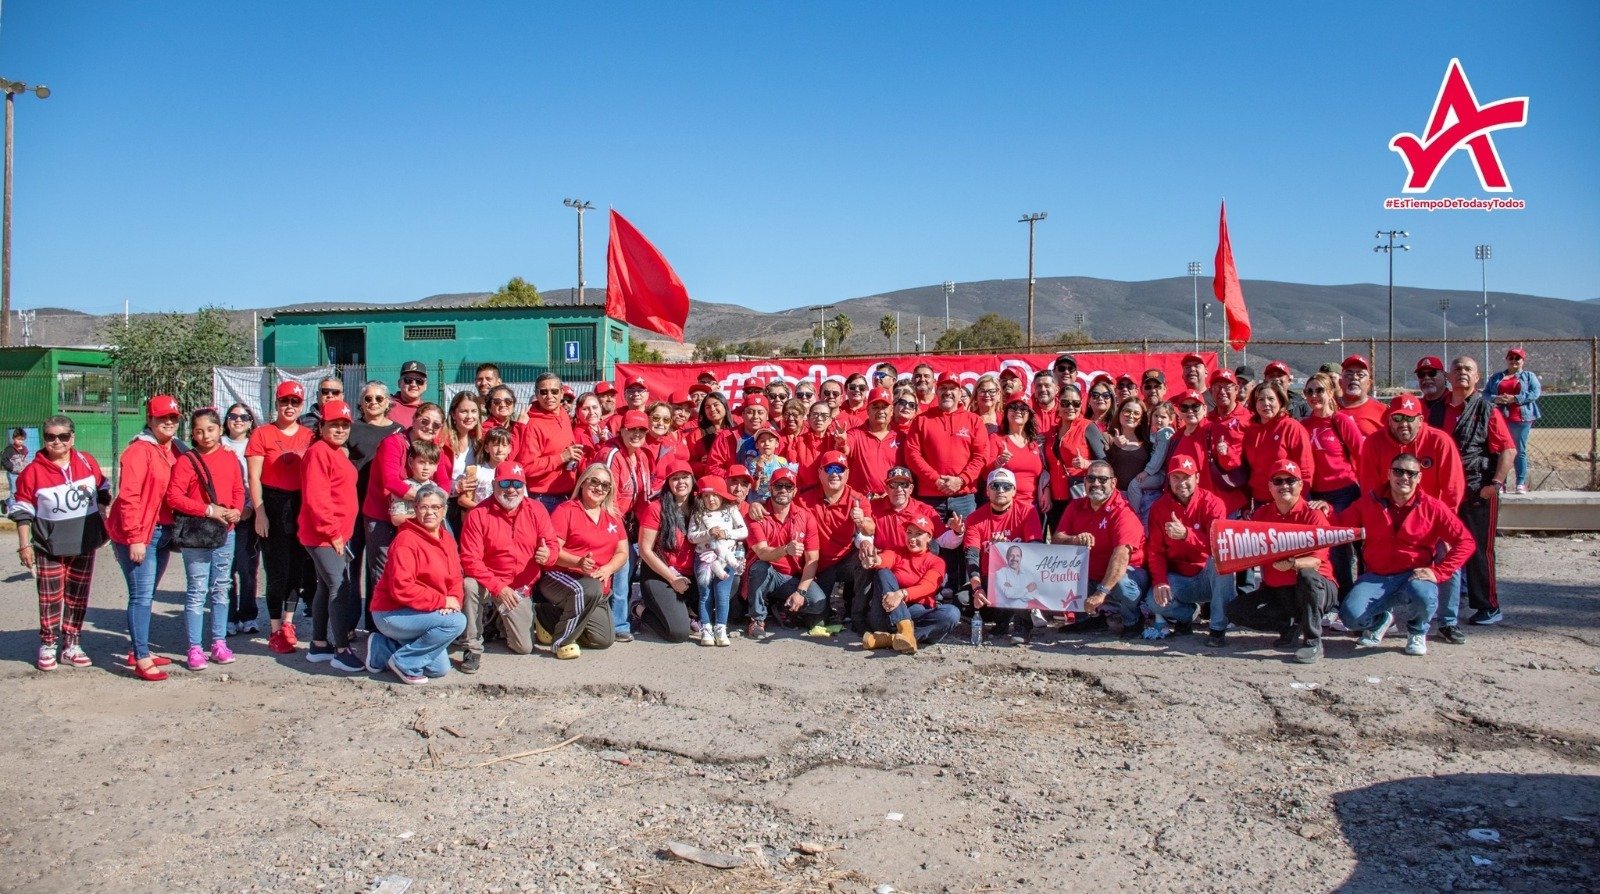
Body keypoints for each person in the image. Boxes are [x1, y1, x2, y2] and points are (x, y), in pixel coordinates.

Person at [1335, 453, 1473, 657]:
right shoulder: (1368, 502)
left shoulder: (1432, 507)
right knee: (1350, 617)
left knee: (1423, 594)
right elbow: (1338, 525)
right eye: (1399, 471)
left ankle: (1417, 631)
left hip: (1413, 576)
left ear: (1419, 478)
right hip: (1377, 577)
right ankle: (1380, 620)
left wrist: (1439, 572)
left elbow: (1465, 542)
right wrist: (1322, 509)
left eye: (1411, 473)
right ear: (1389, 474)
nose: (1404, 477)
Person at [11, 415, 109, 671]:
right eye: (51, 437)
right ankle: (48, 644)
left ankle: (72, 645)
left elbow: (103, 491)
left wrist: (102, 523)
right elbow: (22, 511)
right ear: (44, 440)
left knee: (77, 597)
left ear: (72, 438)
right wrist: (24, 545)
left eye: (63, 436)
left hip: (84, 543)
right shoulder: (33, 471)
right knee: (50, 598)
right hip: (49, 547)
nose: (57, 441)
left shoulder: (86, 461)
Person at [1430, 355, 1516, 629]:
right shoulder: (1435, 409)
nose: (1462, 373)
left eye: (1468, 369)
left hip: (1478, 489)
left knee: (1479, 550)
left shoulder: (1486, 410)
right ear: (1448, 376)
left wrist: (1496, 485)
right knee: (1441, 548)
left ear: (1477, 377)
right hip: (1443, 492)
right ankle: (1439, 605)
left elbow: (1508, 449)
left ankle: (1488, 606)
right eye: (1457, 369)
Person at [1227, 460, 1340, 663]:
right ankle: (1289, 626)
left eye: (1290, 481)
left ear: (1301, 485)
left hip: (1317, 588)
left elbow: (1315, 562)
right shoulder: (1262, 514)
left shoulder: (1313, 515)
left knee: (1307, 576)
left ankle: (1313, 642)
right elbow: (1247, 548)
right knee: (1235, 611)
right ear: (1270, 487)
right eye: (1278, 481)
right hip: (1279, 590)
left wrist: (1293, 564)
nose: (1284, 486)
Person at [362, 403, 454, 632]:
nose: (429, 427)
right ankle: (380, 627)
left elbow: (444, 482)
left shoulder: (434, 448)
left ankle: (419, 619)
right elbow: (390, 480)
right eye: (425, 421)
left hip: (418, 518)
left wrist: (433, 502)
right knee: (383, 571)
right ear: (414, 419)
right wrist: (425, 500)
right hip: (382, 514)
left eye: (436, 424)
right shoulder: (394, 443)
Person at [109, 395, 182, 680]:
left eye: (173, 418)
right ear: (149, 420)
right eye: (162, 418)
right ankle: (140, 656)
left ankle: (138, 648)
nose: (168, 422)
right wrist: (135, 537)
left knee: (147, 594)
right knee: (140, 596)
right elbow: (128, 497)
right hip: (140, 533)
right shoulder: (139, 451)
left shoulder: (174, 447)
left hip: (162, 531)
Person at [457, 462, 558, 667]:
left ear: (524, 486)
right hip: (488, 582)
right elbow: (469, 559)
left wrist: (548, 555)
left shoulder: (537, 510)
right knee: (468, 585)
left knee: (524, 648)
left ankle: (497, 620)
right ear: (494, 484)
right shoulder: (478, 514)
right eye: (505, 483)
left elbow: (553, 545)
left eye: (517, 484)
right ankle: (472, 647)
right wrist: (498, 587)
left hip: (519, 588)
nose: (511, 489)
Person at [167, 408, 245, 671]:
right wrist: (209, 510)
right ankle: (194, 647)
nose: (205, 435)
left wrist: (234, 511)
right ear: (192, 434)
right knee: (197, 590)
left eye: (210, 429)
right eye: (199, 431)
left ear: (219, 430)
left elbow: (237, 488)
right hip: (197, 535)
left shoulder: (229, 458)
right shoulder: (186, 461)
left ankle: (219, 642)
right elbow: (174, 497)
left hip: (226, 532)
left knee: (221, 588)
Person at [365, 484, 465, 683]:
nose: (430, 512)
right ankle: (404, 662)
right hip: (393, 613)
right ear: (415, 509)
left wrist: (454, 600)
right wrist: (442, 601)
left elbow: (455, 577)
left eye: (436, 507)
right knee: (457, 622)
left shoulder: (447, 539)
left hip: (424, 611)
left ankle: (382, 647)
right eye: (424, 507)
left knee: (439, 669)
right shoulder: (406, 540)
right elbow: (401, 587)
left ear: (444, 510)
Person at [247, 380, 315, 654]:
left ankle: (289, 622)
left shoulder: (309, 436)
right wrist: (260, 512)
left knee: (296, 569)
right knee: (276, 570)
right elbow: (254, 476)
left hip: (299, 504)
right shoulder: (262, 434)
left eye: (295, 402)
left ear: (301, 406)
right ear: (276, 404)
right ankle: (275, 628)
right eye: (284, 401)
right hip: (273, 503)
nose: (289, 407)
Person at [906, 375, 987, 597]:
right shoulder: (922, 420)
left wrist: (961, 480)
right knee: (931, 545)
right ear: (936, 390)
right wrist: (935, 480)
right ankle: (931, 591)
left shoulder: (973, 421)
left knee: (967, 545)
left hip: (963, 496)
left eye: (953, 388)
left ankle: (965, 593)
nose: (948, 392)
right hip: (930, 497)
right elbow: (912, 454)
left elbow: (981, 456)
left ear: (961, 392)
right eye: (943, 388)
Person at [297, 400, 362, 671]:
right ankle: (341, 649)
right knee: (340, 587)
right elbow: (317, 497)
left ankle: (319, 644)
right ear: (321, 425)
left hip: (334, 533)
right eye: (334, 424)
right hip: (324, 535)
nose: (340, 429)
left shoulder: (335, 452)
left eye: (344, 425)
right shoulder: (319, 452)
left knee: (325, 586)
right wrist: (333, 532)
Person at [538, 464, 628, 659]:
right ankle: (562, 642)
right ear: (583, 482)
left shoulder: (612, 516)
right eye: (594, 481)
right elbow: (554, 550)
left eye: (605, 485)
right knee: (588, 589)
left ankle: (544, 617)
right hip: (561, 576)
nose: (599, 488)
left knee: (604, 639)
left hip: (596, 584)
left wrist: (608, 568)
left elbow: (622, 551)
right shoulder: (566, 510)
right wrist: (578, 562)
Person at [1144, 455, 1233, 645]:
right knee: (1153, 601)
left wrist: (1187, 535)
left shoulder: (1213, 503)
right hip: (1180, 578)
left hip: (1208, 577)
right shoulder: (1160, 508)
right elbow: (1155, 551)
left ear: (1197, 478)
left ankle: (1217, 628)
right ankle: (1187, 615)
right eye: (1176, 478)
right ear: (1169, 479)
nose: (1181, 483)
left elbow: (1220, 546)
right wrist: (1160, 581)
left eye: (1187, 477)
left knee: (1222, 562)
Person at [1053, 459, 1148, 636]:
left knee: (1122, 585)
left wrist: (1101, 593)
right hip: (1091, 575)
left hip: (1127, 575)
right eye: (1091, 478)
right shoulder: (1075, 506)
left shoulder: (1123, 512)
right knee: (1059, 569)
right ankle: (1090, 620)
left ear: (1113, 483)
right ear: (1085, 482)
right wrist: (1074, 540)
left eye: (1102, 479)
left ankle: (1133, 621)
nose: (1096, 483)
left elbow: (1121, 557)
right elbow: (1056, 540)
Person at [1298, 371, 1366, 594]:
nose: (1314, 395)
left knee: (1354, 546)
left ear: (1330, 393)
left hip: (1345, 492)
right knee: (1332, 549)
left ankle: (1360, 597)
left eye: (1319, 390)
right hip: (1318, 494)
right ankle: (1340, 596)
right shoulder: (1304, 425)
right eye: (1309, 391)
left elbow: (1361, 454)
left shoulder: (1340, 420)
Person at [744, 468, 826, 639]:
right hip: (768, 573)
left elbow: (813, 559)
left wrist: (801, 592)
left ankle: (781, 605)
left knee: (819, 603)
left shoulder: (806, 517)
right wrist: (785, 549)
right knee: (760, 568)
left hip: (791, 578)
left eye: (788, 487)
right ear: (770, 488)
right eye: (778, 485)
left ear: (795, 491)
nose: (783, 490)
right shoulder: (758, 514)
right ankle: (757, 618)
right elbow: (762, 553)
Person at [964, 468, 1045, 643]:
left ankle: (1023, 625)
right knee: (963, 602)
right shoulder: (974, 518)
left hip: (1021, 576)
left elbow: (1035, 550)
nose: (1001, 490)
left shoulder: (1027, 511)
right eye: (995, 486)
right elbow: (972, 558)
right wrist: (977, 589)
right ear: (987, 491)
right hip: (990, 579)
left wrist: (1005, 548)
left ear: (1014, 490)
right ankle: (1002, 618)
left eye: (1007, 486)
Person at [859, 516, 960, 653]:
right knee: (883, 573)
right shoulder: (896, 552)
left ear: (929, 537)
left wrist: (901, 594)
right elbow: (884, 559)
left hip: (917, 611)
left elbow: (929, 585)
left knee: (951, 613)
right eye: (909, 532)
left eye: (918, 534)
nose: (912, 538)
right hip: (887, 612)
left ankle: (891, 639)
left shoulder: (936, 562)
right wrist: (873, 560)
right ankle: (905, 630)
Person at [797, 450, 872, 633]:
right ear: (819, 473)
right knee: (816, 622)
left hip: (845, 560)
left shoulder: (858, 499)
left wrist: (861, 521)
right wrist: (758, 505)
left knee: (866, 560)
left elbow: (870, 529)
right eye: (829, 468)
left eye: (840, 469)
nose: (834, 473)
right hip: (817, 564)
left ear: (847, 474)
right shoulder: (803, 500)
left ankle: (858, 616)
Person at [1357, 394, 1465, 510]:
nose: (1403, 424)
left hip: (1429, 514)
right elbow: (1370, 488)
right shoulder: (1374, 442)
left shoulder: (1440, 441)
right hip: (1389, 513)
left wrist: (1442, 520)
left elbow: (1453, 488)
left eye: (1409, 418)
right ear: (1389, 420)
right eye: (1397, 418)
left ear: (1420, 420)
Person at [635, 460, 699, 642]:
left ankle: (687, 609)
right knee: (678, 633)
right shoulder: (656, 508)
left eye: (685, 477)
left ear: (693, 479)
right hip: (661, 574)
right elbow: (645, 550)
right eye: (675, 479)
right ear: (668, 483)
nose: (681, 483)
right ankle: (640, 610)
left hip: (691, 574)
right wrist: (673, 579)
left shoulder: (700, 505)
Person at [688, 476, 747, 647]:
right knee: (705, 595)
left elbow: (743, 531)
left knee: (722, 596)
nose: (711, 500)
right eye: (706, 496)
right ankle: (706, 628)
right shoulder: (698, 514)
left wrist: (726, 534)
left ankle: (721, 628)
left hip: (725, 559)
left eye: (715, 495)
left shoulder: (731, 510)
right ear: (701, 498)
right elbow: (691, 536)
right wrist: (708, 533)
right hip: (704, 559)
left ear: (722, 495)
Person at [221, 403, 262, 634]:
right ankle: (228, 617)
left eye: (244, 416)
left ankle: (248, 616)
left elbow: (257, 480)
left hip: (247, 514)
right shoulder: (217, 444)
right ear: (226, 420)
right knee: (226, 569)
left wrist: (248, 508)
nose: (238, 420)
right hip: (223, 516)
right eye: (233, 416)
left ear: (250, 421)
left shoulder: (254, 444)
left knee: (248, 568)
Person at [1041, 384, 1104, 530]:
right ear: (1058, 403)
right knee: (1059, 543)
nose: (1070, 407)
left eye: (1075, 403)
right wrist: (1047, 489)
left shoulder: (1088, 427)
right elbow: (1047, 466)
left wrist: (1086, 463)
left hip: (1079, 496)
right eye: (1065, 403)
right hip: (1055, 500)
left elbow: (1106, 463)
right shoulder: (1051, 433)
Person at [1242, 380, 1314, 507]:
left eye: (1271, 399)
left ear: (1280, 401)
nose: (1266, 404)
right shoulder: (1250, 431)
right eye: (1260, 400)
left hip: (1289, 500)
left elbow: (1306, 468)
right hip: (1261, 501)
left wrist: (1298, 501)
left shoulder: (1291, 427)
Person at [518, 372, 583, 512]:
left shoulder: (562, 413)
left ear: (561, 393)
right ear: (536, 394)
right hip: (544, 499)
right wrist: (561, 457)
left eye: (554, 391)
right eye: (543, 392)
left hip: (567, 494)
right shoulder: (532, 424)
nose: (549, 396)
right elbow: (527, 467)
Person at [1484, 347, 1541, 493]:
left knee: (1519, 450)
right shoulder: (1496, 377)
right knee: (1500, 450)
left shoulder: (1529, 376)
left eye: (1517, 358)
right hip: (1499, 418)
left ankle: (1520, 483)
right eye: (1511, 358)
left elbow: (1535, 392)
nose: (1514, 361)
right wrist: (1496, 398)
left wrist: (1515, 398)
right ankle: (1500, 483)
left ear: (1523, 361)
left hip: (1521, 418)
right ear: (1507, 360)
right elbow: (1486, 394)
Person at [845, 387, 903, 498]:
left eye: (884, 407)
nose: (880, 411)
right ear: (867, 410)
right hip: (862, 502)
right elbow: (844, 450)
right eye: (875, 407)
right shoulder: (855, 434)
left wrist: (890, 493)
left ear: (891, 410)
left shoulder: (901, 437)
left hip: (893, 500)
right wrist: (841, 442)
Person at [988, 398, 1043, 512]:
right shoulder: (996, 439)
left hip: (1034, 506)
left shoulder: (1035, 443)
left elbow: (1044, 472)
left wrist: (1046, 490)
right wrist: (999, 462)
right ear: (1007, 412)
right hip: (1006, 507)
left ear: (1029, 415)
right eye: (1013, 407)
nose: (1018, 411)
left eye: (1023, 408)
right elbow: (985, 474)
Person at [444, 391, 486, 531]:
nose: (469, 416)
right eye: (464, 411)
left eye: (474, 411)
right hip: (446, 504)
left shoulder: (479, 442)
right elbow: (432, 478)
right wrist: (455, 486)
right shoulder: (442, 442)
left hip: (470, 503)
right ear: (453, 414)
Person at [1104, 398, 1152, 494]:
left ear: (1141, 419)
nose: (1131, 416)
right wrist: (1116, 446)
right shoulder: (1107, 437)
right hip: (1114, 496)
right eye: (1127, 411)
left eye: (1136, 413)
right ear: (1119, 414)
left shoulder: (1148, 442)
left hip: (1141, 497)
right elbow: (1103, 465)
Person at [1336, 355, 1386, 437]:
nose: (1354, 377)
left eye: (1360, 375)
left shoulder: (1383, 412)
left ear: (1368, 383)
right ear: (1340, 382)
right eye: (1349, 374)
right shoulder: (1328, 408)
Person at [388, 360, 429, 428]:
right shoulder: (386, 405)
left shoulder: (428, 411)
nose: (413, 384)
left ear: (425, 386)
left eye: (419, 381)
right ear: (399, 383)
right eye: (408, 380)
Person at [4, 427, 28, 512]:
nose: (20, 441)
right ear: (14, 438)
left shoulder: (25, 449)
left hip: (21, 474)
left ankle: (6, 502)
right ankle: (13, 511)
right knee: (14, 492)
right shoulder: (9, 449)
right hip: (13, 474)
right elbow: (4, 460)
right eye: (18, 439)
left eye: (22, 439)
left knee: (20, 491)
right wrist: (12, 468)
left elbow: (23, 460)